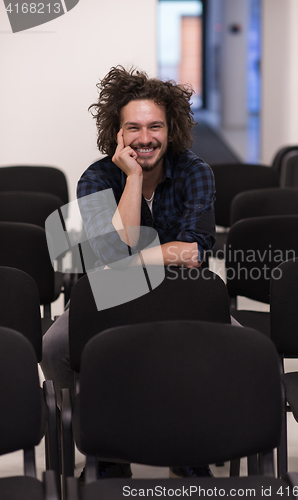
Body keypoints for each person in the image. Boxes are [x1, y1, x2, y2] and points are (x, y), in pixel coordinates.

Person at [41, 66, 217, 480]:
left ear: (170, 128)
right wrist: (133, 178)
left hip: (183, 296)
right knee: (53, 347)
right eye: (133, 128)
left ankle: (193, 447)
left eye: (155, 125)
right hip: (110, 299)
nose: (145, 138)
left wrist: (128, 260)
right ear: (117, 134)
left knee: (241, 345)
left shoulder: (196, 172)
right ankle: (102, 445)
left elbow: (192, 253)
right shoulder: (98, 177)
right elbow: (109, 254)